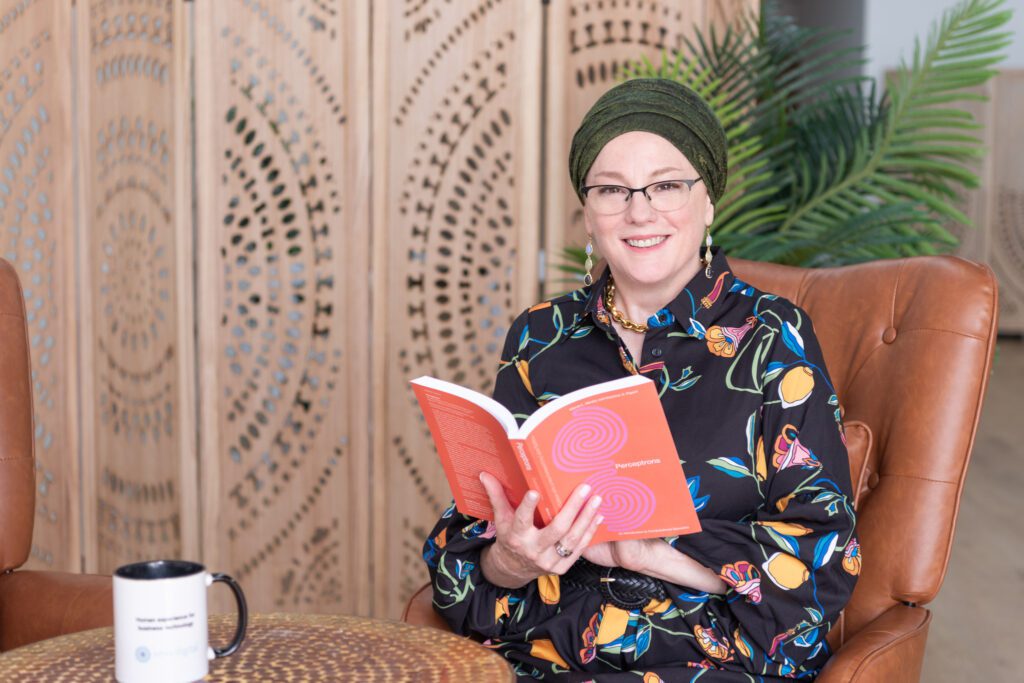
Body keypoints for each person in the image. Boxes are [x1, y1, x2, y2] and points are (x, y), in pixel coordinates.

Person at [422, 78, 859, 682]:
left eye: (667, 185)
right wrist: (509, 560)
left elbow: (824, 563)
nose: (640, 210)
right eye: (612, 189)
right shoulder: (539, 337)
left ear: (708, 203)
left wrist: (645, 550)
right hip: (551, 658)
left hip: (711, 664)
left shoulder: (772, 336)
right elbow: (465, 557)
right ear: (588, 213)